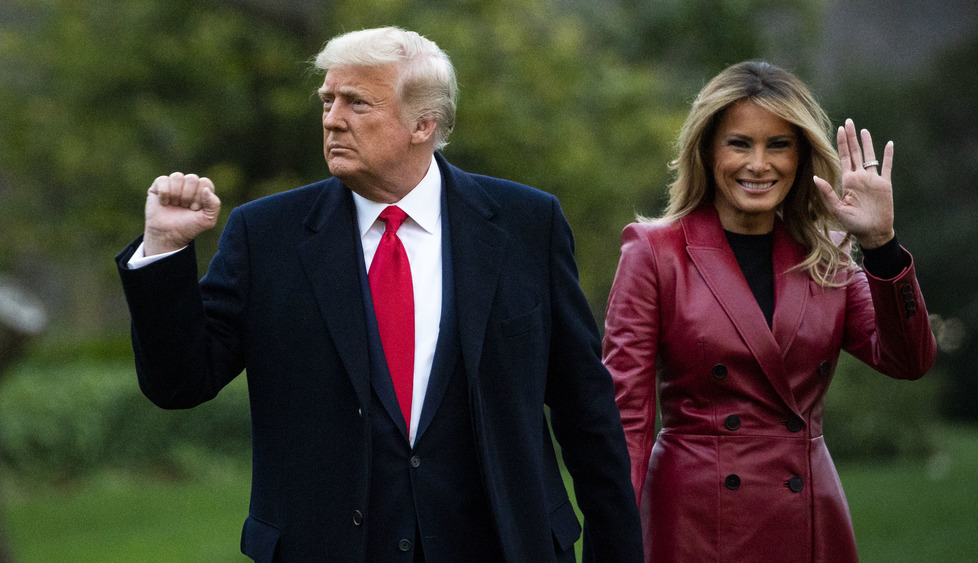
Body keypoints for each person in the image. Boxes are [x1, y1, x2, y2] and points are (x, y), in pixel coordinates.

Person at [116, 26, 642, 562]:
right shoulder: (266, 235)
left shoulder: (527, 224)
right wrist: (163, 247)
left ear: (423, 124)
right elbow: (178, 382)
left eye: (357, 102)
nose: (332, 118)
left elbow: (586, 409)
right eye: (327, 99)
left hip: (503, 545)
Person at [602, 60, 936, 562]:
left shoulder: (826, 253)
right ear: (708, 150)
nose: (759, 164)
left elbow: (908, 360)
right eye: (740, 143)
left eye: (778, 145)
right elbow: (626, 416)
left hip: (807, 521)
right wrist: (615, 540)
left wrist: (881, 244)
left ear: (801, 157)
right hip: (693, 522)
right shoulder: (654, 252)